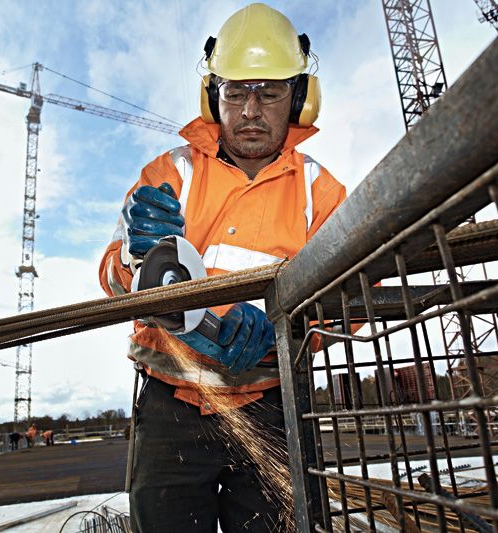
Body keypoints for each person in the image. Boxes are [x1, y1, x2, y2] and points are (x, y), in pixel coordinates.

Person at [99, 4, 346, 532]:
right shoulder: (171, 173)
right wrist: (131, 256)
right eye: (236, 92)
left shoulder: (320, 193)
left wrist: (287, 331)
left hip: (271, 406)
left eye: (271, 91)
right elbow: (111, 279)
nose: (251, 110)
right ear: (214, 96)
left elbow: (351, 303)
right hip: (170, 406)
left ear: (299, 98)